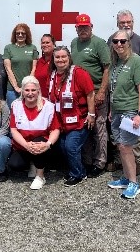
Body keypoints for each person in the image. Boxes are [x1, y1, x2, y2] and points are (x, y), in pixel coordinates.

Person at [107, 10, 140, 174]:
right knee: (121, 143)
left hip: (132, 106)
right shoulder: (114, 56)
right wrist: (112, 107)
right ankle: (125, 169)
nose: (119, 44)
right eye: (116, 41)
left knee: (133, 141)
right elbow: (112, 80)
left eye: (128, 22)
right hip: (118, 107)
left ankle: (136, 168)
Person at [70, 14, 111, 178]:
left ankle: (100, 162)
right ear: (76, 28)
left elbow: (107, 69)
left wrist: (102, 91)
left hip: (96, 93)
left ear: (91, 27)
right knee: (84, 127)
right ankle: (87, 161)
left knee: (99, 128)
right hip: (80, 95)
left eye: (86, 27)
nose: (83, 30)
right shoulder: (74, 43)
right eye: (80, 27)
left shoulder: (99, 43)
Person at [48, 46, 95, 187]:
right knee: (62, 146)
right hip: (61, 121)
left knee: (70, 146)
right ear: (53, 59)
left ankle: (77, 174)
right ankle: (79, 170)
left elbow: (90, 94)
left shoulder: (79, 73)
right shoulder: (53, 75)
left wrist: (91, 115)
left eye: (64, 57)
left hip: (79, 119)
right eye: (57, 57)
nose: (61, 60)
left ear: (69, 58)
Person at [8, 76, 60, 190]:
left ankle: (40, 176)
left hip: (41, 145)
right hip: (23, 145)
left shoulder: (49, 106)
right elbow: (14, 130)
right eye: (27, 90)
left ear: (38, 91)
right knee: (15, 165)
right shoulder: (16, 105)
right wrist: (26, 145)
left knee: (38, 143)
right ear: (22, 91)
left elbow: (55, 129)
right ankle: (33, 163)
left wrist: (48, 144)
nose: (30, 93)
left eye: (33, 90)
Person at [3, 23, 39, 108]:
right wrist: (16, 87)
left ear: (27, 35)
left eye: (23, 33)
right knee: (13, 114)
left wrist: (26, 87)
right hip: (13, 90)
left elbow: (33, 68)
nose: (20, 35)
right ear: (14, 35)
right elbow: (8, 69)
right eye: (18, 33)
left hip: (29, 90)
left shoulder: (32, 48)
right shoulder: (8, 48)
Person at [34, 33, 56, 98]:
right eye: (43, 43)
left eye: (47, 42)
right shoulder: (39, 61)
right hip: (40, 99)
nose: (45, 45)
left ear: (53, 44)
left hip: (53, 99)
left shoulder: (57, 60)